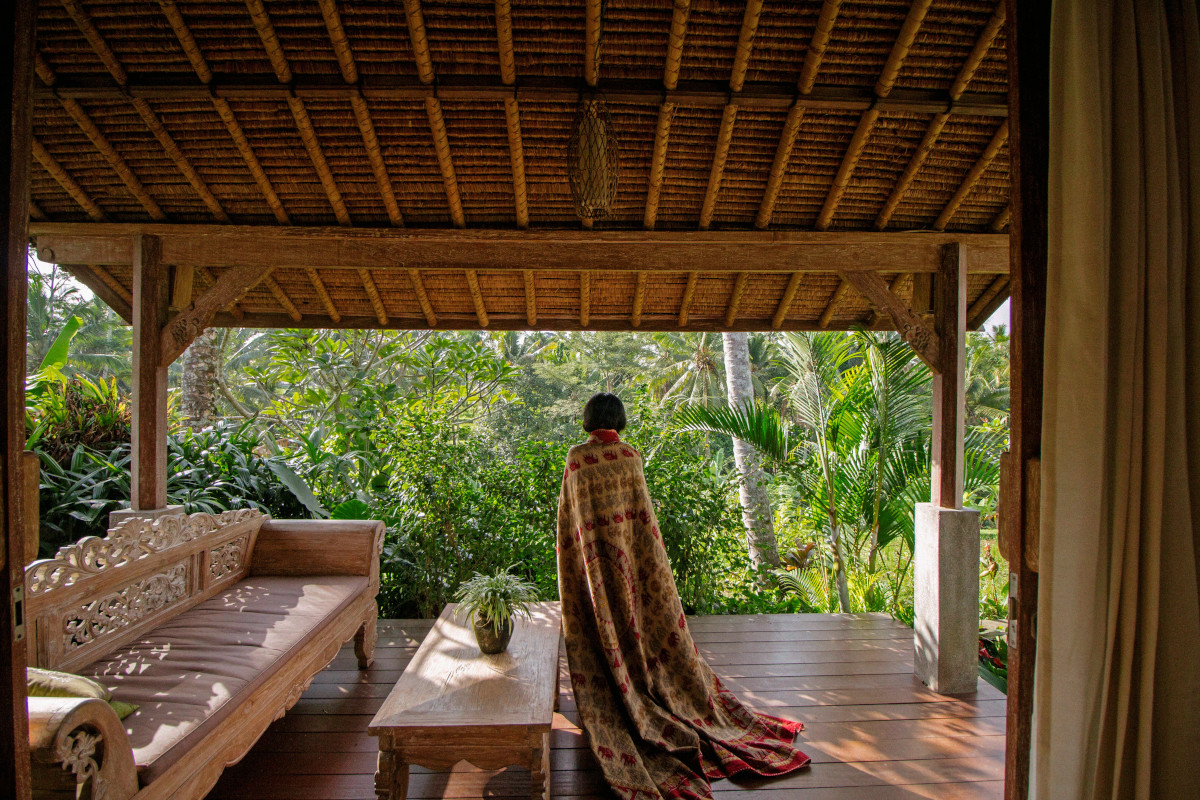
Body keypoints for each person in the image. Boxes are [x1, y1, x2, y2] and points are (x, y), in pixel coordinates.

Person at [557, 392, 810, 800]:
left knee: (605, 629)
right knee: (641, 630)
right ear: (618, 420)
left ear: (588, 420)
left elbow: (571, 525)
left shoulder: (576, 459)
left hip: (596, 570)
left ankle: (617, 680)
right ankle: (647, 686)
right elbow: (642, 527)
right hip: (635, 569)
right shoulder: (631, 457)